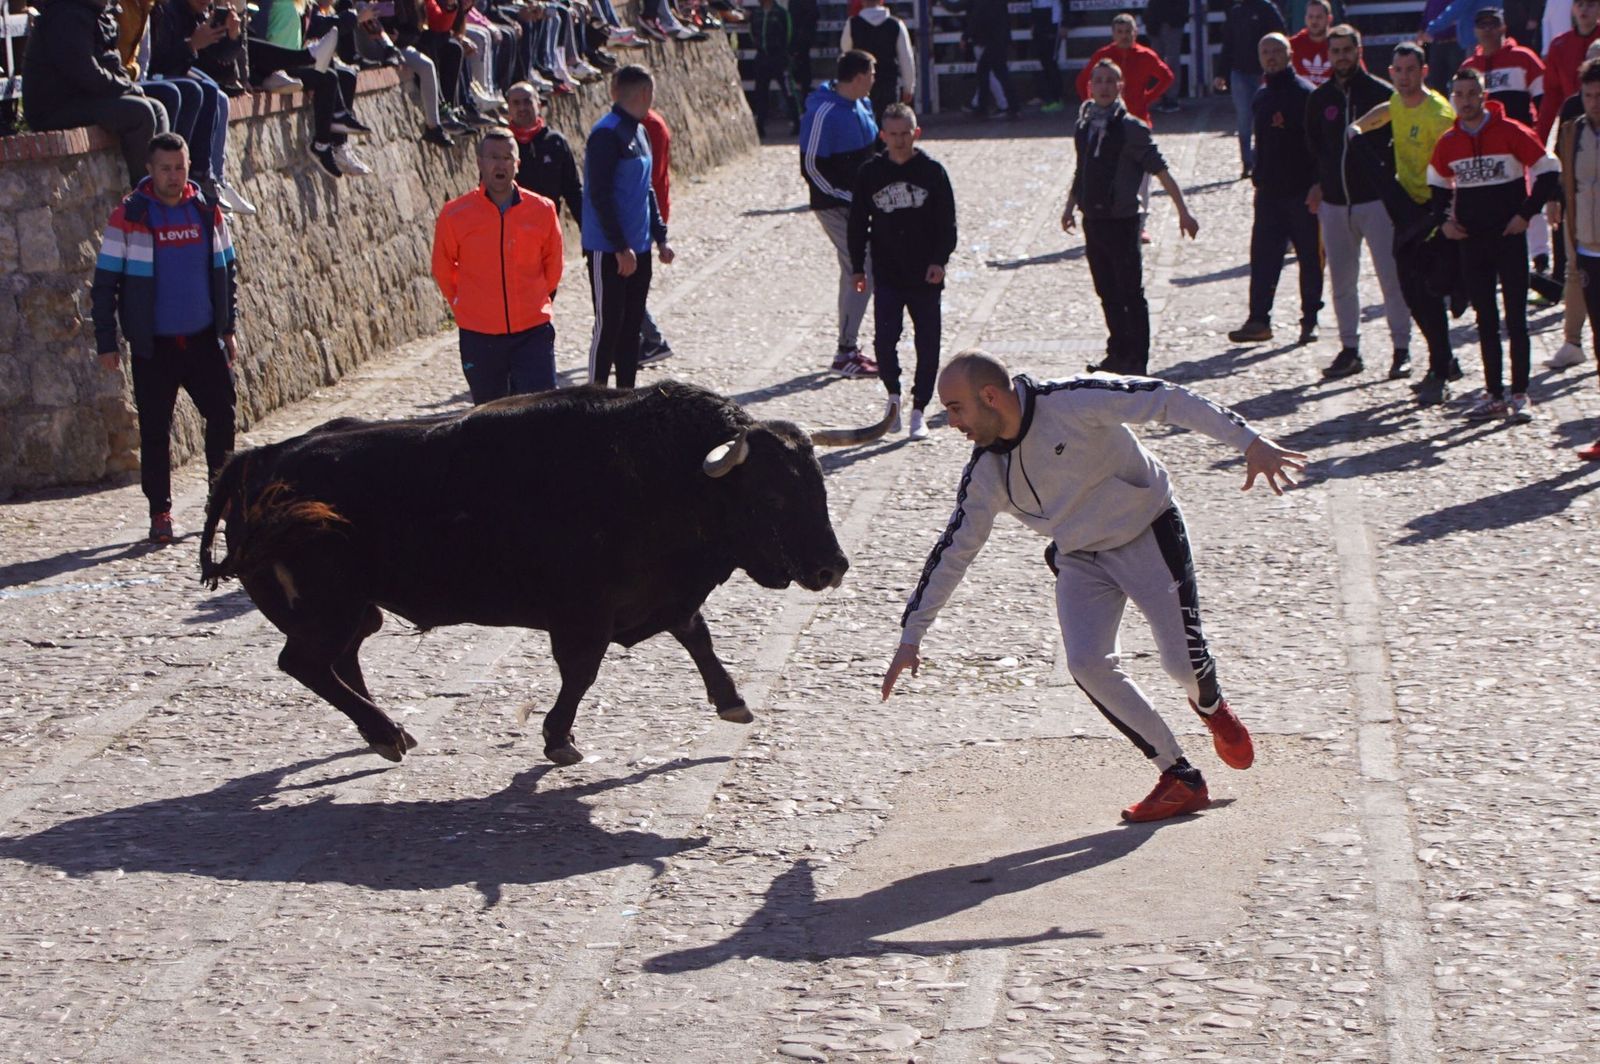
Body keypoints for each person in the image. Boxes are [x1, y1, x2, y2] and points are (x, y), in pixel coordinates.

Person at [881, 351, 1308, 823]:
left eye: (956, 408)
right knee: (1086, 663)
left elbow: (1165, 398)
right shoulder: (986, 470)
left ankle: (1210, 704)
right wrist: (912, 635)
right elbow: (954, 550)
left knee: (1182, 664)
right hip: (1080, 557)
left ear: (990, 396)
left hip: (1148, 532)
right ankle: (1179, 776)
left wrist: (1248, 441)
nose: (951, 422)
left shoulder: (1073, 400)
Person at [91, 132, 238, 543]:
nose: (174, 176)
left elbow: (227, 272)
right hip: (153, 347)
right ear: (149, 170)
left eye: (180, 168)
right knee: (156, 432)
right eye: (165, 169)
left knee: (223, 415)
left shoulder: (207, 210)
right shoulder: (130, 215)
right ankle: (160, 512)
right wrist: (107, 342)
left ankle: (221, 499)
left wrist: (228, 328)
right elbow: (105, 284)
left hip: (203, 340)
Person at [1428, 65, 1560, 422]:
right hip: (1472, 242)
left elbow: (1549, 169)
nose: (1466, 101)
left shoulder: (1511, 131)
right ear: (1452, 99)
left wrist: (1526, 213)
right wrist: (1444, 223)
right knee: (1485, 319)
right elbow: (1437, 184)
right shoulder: (1448, 142)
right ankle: (1493, 393)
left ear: (1484, 96)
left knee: (1516, 319)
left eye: (1472, 94)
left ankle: (1520, 393)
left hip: (1509, 238)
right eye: (1459, 95)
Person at [1063, 58, 1200, 376]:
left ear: (1120, 87)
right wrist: (1069, 206)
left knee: (1130, 292)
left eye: (1111, 81)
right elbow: (1082, 170)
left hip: (1122, 221)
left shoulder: (1131, 128)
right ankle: (1117, 352)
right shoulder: (1084, 126)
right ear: (1090, 87)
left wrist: (1184, 211)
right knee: (1106, 291)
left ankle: (1138, 358)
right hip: (1093, 220)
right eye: (1099, 81)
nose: (1105, 87)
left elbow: (1161, 170)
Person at [1347, 41, 1462, 405]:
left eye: (1411, 70)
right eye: (1398, 71)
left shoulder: (1438, 115)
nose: (1404, 77)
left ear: (1424, 72)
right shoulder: (1398, 101)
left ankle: (1440, 369)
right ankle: (1444, 360)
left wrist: (1453, 215)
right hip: (1406, 209)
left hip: (1435, 208)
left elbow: (1456, 163)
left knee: (1428, 292)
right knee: (1411, 292)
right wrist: (1358, 126)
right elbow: (1387, 109)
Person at [1303, 24, 1409, 379]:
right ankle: (1350, 349)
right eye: (1335, 51)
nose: (1341, 57)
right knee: (1342, 283)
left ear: (1358, 51)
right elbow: (1314, 147)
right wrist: (1319, 183)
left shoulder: (1382, 95)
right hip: (1335, 204)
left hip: (1376, 202)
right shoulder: (1319, 99)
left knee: (1391, 279)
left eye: (1347, 50)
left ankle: (1402, 348)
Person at [847, 103, 957, 442]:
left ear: (916, 133)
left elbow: (947, 223)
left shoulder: (932, 172)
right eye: (893, 134)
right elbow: (857, 224)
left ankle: (919, 407)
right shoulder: (870, 173)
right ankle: (893, 394)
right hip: (887, 273)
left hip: (925, 275)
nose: (899, 140)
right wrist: (857, 268)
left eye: (905, 133)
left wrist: (939, 261)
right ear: (882, 135)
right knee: (884, 340)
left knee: (928, 342)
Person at [432, 128, 565, 403]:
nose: (500, 164)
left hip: (532, 332)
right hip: (480, 336)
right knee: (490, 416)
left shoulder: (542, 210)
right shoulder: (455, 214)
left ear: (517, 163)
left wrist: (536, 300)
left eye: (507, 157)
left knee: (540, 413)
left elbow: (553, 265)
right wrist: (463, 305)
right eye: (493, 157)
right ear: (480, 162)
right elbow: (443, 267)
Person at [581, 64, 674, 389]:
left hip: (640, 247)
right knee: (608, 326)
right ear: (646, 92)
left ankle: (625, 397)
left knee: (631, 326)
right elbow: (599, 195)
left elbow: (646, 189)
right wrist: (619, 246)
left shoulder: (641, 132)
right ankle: (594, 398)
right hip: (609, 250)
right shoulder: (606, 134)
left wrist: (660, 237)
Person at [1228, 34, 1322, 346]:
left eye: (1276, 51)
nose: (1271, 57)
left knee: (1310, 258)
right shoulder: (1261, 96)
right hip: (1269, 193)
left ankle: (1310, 319)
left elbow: (1319, 146)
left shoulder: (1306, 94)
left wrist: (1318, 184)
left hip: (1301, 192)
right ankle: (1258, 320)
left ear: (1289, 54)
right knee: (1263, 259)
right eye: (1265, 52)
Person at [23, 0, 171, 188]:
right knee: (140, 113)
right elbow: (86, 73)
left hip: (84, 97)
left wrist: (127, 84)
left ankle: (164, 189)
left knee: (157, 108)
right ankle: (144, 194)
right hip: (55, 107)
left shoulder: (98, 13)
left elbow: (112, 64)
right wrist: (127, 88)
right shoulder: (67, 15)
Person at [799, 49, 882, 379]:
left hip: (860, 206)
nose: (875, 79)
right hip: (834, 207)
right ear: (859, 77)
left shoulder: (863, 104)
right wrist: (846, 197)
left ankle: (848, 348)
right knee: (862, 269)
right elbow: (811, 166)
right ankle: (845, 352)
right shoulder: (823, 112)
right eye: (872, 74)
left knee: (856, 270)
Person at [1549, 56, 1600, 456]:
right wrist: (1555, 201)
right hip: (1586, 246)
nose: (1595, 102)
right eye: (1589, 95)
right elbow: (1562, 176)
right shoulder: (1573, 132)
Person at [1215, 0, 1286, 178]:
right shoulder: (1236, 12)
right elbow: (1228, 44)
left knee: (1265, 117)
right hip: (1240, 73)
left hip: (1264, 72)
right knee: (1244, 117)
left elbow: (1281, 38)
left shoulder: (1267, 9)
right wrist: (1221, 73)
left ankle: (1263, 157)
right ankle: (1247, 161)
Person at [1075, 14, 1175, 127]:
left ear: (1135, 32)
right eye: (1120, 32)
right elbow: (1081, 81)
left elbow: (1167, 77)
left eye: (1128, 31)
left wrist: (1148, 98)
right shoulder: (1103, 55)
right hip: (1108, 118)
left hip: (1138, 117)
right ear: (1113, 34)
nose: (1124, 36)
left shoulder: (1146, 56)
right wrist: (1092, 103)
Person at [507, 80, 583, 227]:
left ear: (539, 104)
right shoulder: (500, 145)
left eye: (527, 101)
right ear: (508, 108)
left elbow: (573, 191)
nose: (522, 107)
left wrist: (588, 230)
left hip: (548, 228)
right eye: (516, 103)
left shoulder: (555, 142)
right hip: (512, 230)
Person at [638, 104, 675, 366]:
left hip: (646, 214)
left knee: (626, 286)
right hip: (645, 213)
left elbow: (647, 178)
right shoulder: (644, 124)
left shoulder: (649, 126)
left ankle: (653, 338)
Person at [840, 0, 914, 122]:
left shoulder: (852, 24)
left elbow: (845, 53)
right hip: (889, 83)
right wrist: (908, 87)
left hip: (860, 83)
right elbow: (906, 58)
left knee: (863, 123)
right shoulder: (896, 24)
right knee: (888, 123)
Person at [749, 0, 798, 137]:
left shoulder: (782, 13)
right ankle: (760, 125)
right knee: (761, 92)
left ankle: (797, 122)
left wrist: (784, 52)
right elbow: (752, 33)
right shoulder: (756, 13)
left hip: (779, 58)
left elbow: (789, 34)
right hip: (762, 57)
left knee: (788, 91)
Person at [964, 0, 1018, 120]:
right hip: (1000, 39)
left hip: (993, 40)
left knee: (986, 72)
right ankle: (1011, 107)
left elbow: (976, 17)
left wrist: (965, 36)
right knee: (998, 72)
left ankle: (985, 108)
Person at [1146, 0, 1188, 111]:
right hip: (1155, 22)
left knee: (1172, 60)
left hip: (1172, 21)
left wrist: (1178, 18)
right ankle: (1158, 96)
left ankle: (1171, 98)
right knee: (1156, 62)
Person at [1031, 0, 1067, 113]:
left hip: (1053, 25)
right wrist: (1033, 23)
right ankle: (1047, 97)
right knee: (1044, 62)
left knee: (1051, 62)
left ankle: (1057, 99)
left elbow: (1065, 4)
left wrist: (1064, 24)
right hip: (1039, 26)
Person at [1291, 0, 1333, 85]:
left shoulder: (1340, 45)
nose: (1314, 21)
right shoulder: (1292, 46)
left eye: (1319, 17)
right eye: (1310, 17)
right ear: (1305, 18)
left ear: (1329, 19)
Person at [790, 0, 819, 98]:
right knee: (801, 61)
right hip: (798, 35)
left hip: (802, 37)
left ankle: (804, 89)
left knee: (802, 61)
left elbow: (814, 13)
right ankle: (802, 88)